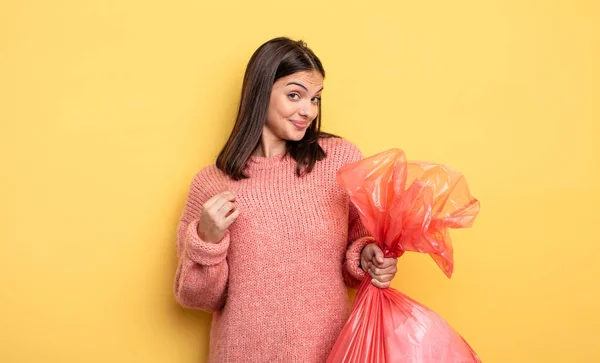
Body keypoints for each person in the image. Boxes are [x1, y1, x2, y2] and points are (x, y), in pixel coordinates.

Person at [173, 37, 398, 363]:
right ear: (261, 92)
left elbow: (357, 249)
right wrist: (207, 240)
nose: (308, 111)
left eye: (315, 99)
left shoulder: (340, 161)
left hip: (330, 350)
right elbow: (199, 297)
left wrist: (367, 256)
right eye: (295, 95)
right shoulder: (212, 183)